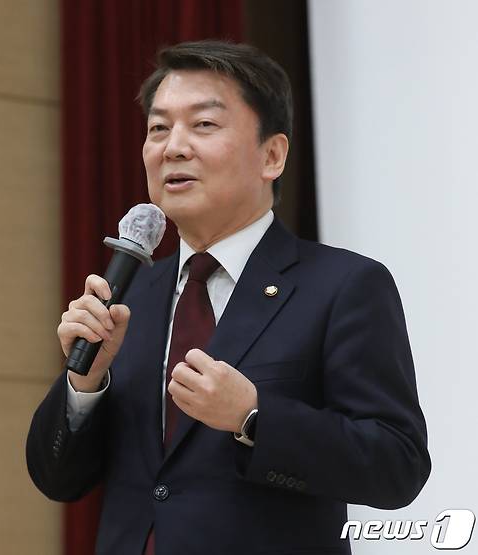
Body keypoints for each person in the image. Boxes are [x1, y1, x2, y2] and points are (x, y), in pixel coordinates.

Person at [26, 40, 431, 555]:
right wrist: (85, 383)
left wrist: (254, 418)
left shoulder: (343, 286)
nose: (173, 147)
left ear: (272, 155)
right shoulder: (130, 296)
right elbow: (57, 478)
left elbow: (398, 465)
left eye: (203, 124)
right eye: (158, 128)